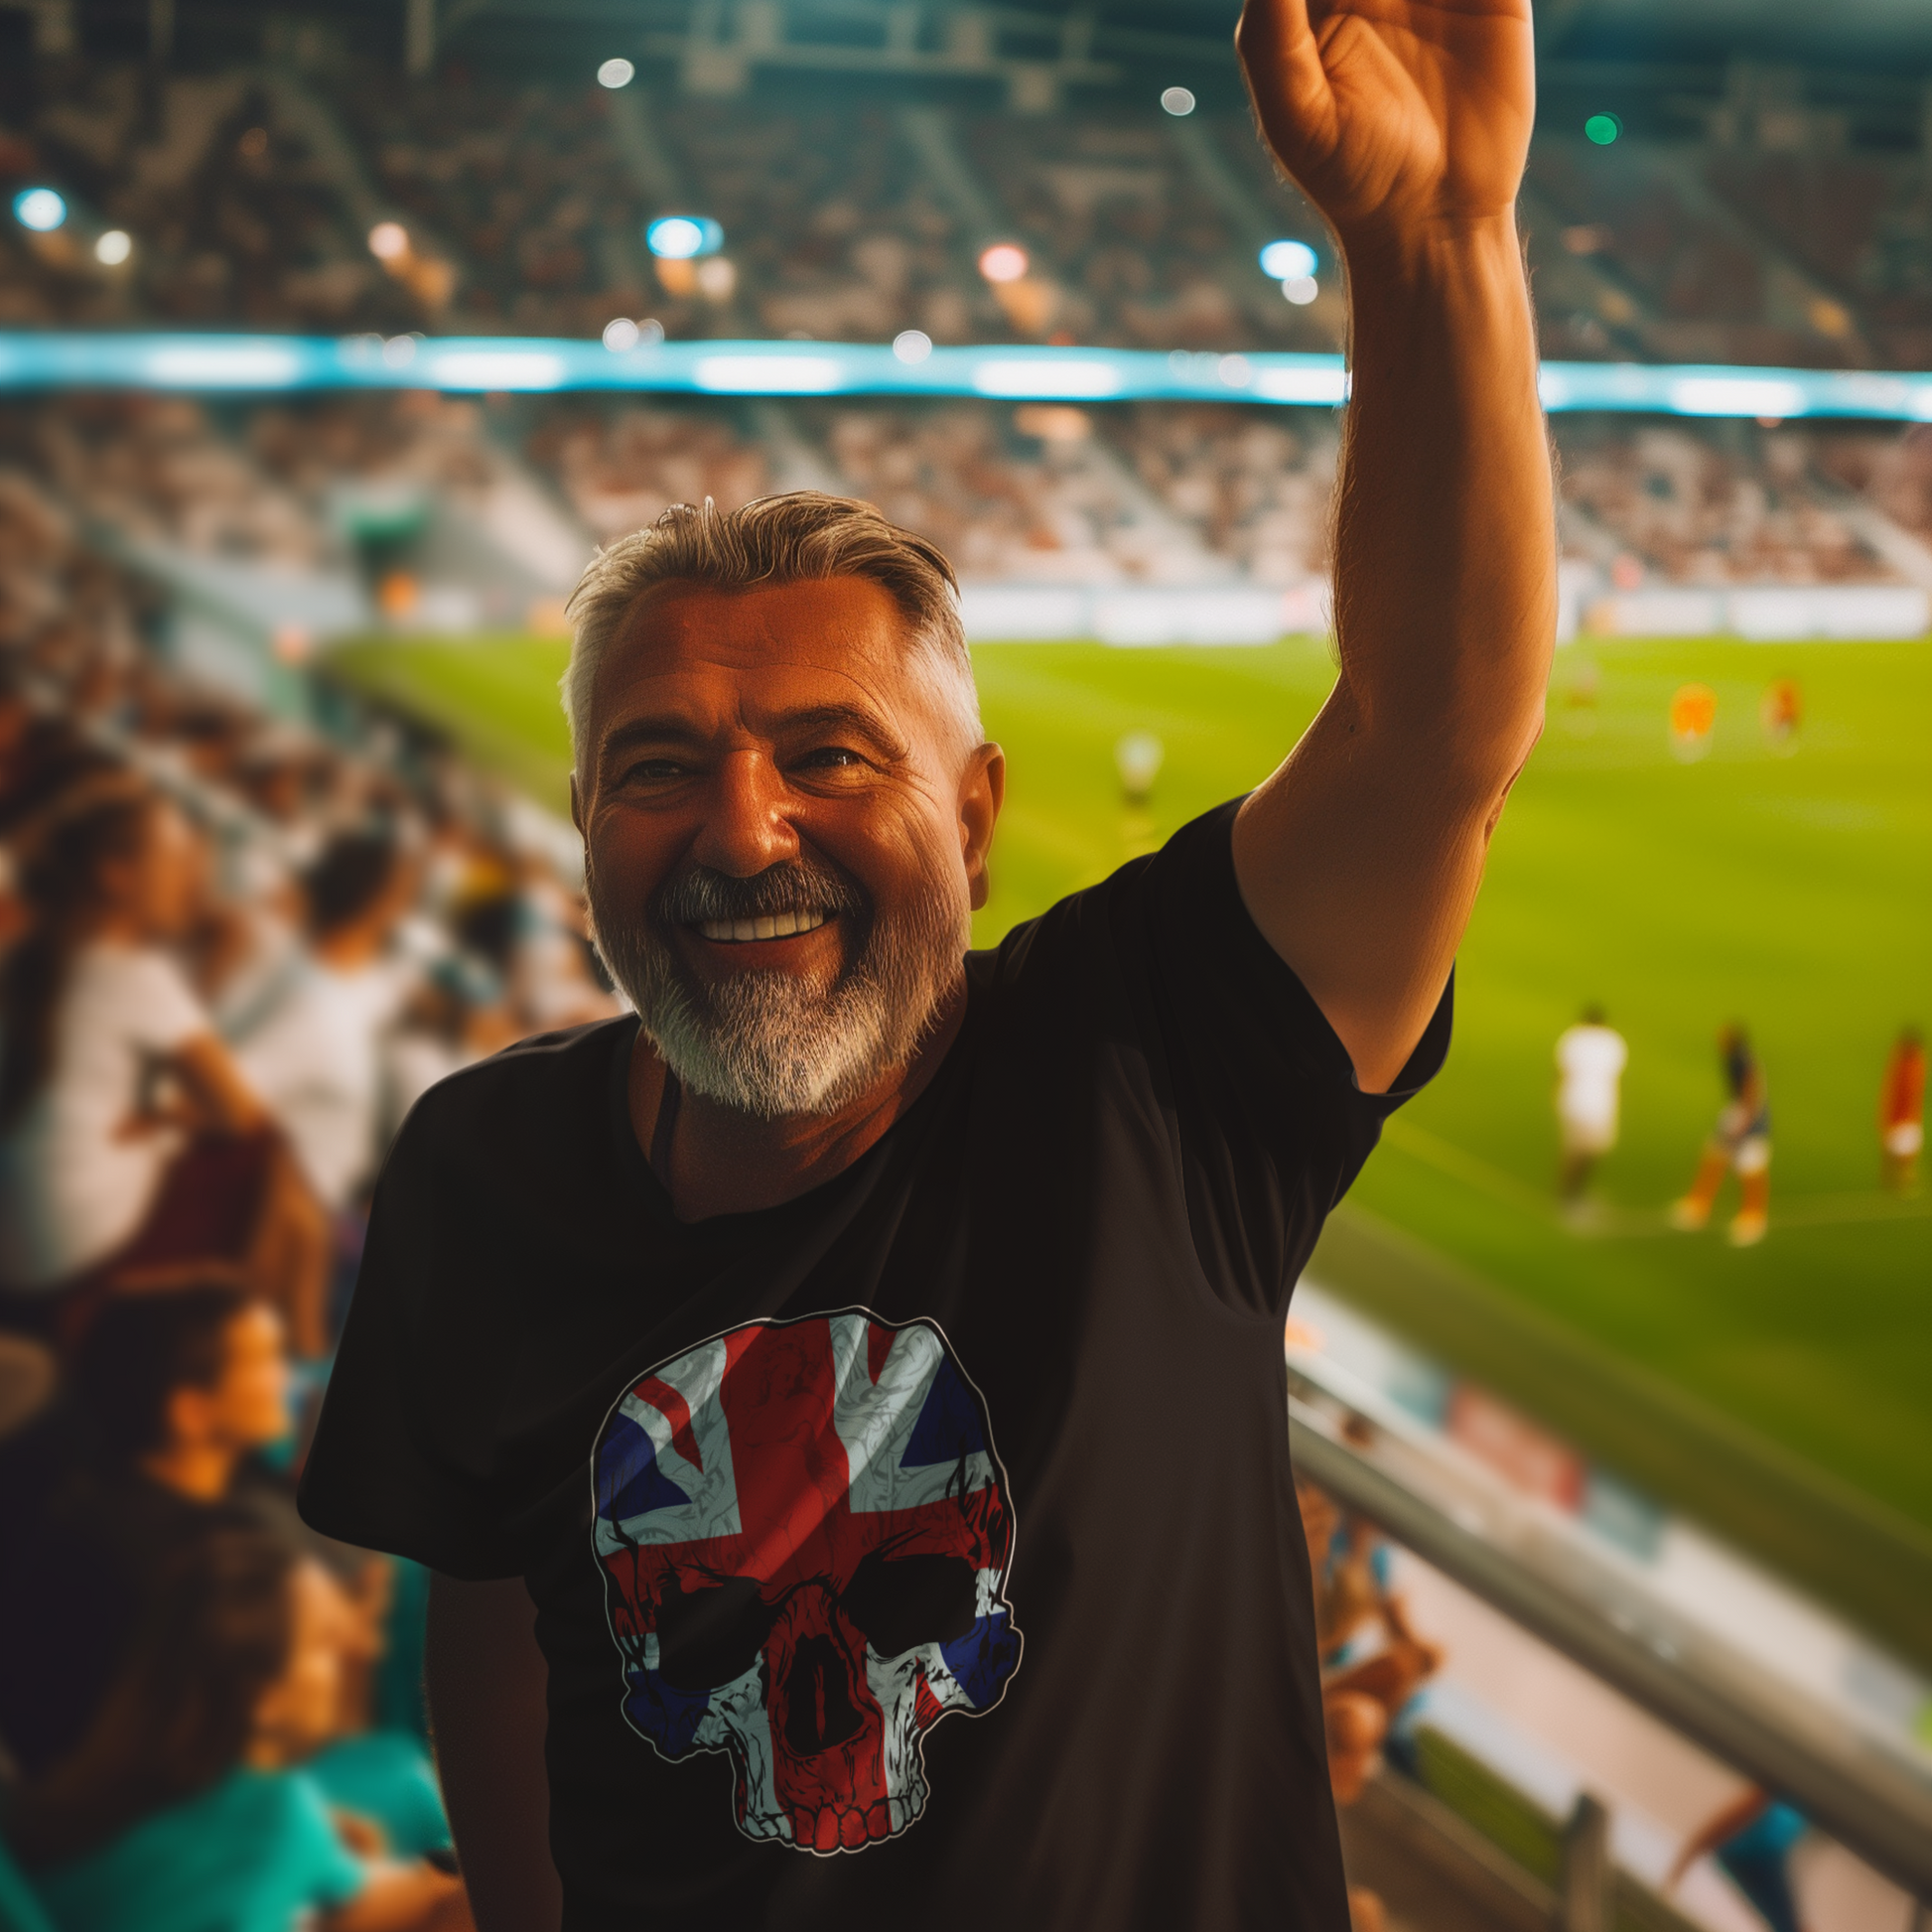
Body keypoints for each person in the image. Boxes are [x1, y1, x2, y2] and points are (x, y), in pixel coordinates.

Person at [299, 2, 1555, 1923]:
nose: (742, 831)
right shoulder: (481, 1171)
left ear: (971, 819)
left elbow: (1425, 742)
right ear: (582, 829)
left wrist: (1438, 240)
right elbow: (503, 1611)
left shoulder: (1148, 1067)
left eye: (830, 755)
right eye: (660, 767)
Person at [13, 1530, 474, 1932]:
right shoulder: (271, 1812)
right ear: (264, 1698)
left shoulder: (47, 1813)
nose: (357, 1653)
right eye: (326, 1645)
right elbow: (427, 1901)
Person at [0, 785, 329, 1345]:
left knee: (271, 1169)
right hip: (68, 1260)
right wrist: (162, 1124)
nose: (195, 882)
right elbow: (235, 1113)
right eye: (175, 861)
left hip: (22, 1247)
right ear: (115, 875)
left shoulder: (37, 952)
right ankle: (289, 1347)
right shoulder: (133, 975)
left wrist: (157, 1119)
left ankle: (293, 1350)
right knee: (269, 1153)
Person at [0, 1285, 295, 1776]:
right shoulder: (192, 1566)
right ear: (190, 1411)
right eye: (264, 1361)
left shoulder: (87, 1502)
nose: (285, 1377)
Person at [229, 830, 421, 1220]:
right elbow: (223, 1096)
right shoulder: (312, 1010)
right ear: (383, 904)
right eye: (405, 895)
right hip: (299, 1223)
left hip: (333, 1205)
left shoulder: (331, 975)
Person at [1671, 1025, 1772, 1247]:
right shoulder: (1737, 1057)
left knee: (1750, 1168)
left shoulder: (1743, 1060)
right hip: (1738, 1112)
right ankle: (1699, 1206)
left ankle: (1753, 1218)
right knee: (1715, 1155)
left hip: (1750, 1119)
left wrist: (1743, 1123)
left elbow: (1751, 1092)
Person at [1665, 1788, 1809, 1932]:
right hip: (1749, 1856)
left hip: (1759, 1857)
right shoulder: (1770, 1799)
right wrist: (1680, 1867)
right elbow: (1720, 1825)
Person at [1554, 1006, 1628, 1205]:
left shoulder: (1573, 1037)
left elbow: (1560, 1069)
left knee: (1574, 1149)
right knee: (1590, 1150)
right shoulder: (1612, 1041)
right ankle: (1572, 1197)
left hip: (1572, 1100)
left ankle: (1571, 1194)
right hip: (1600, 1103)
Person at [1878, 1026, 1924, 1196]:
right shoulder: (1915, 1065)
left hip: (1902, 1119)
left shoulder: (1911, 1065)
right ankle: (1901, 1185)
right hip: (1904, 1119)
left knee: (1897, 1158)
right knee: (1902, 1158)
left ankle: (1899, 1185)